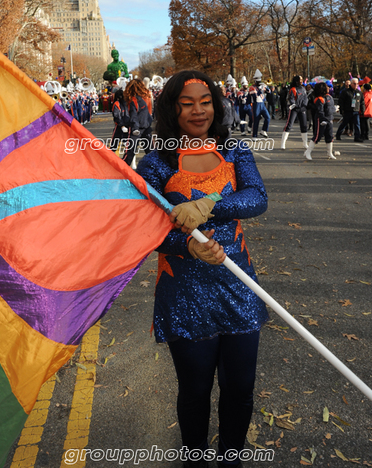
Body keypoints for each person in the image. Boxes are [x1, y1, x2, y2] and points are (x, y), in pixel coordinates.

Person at [137, 70, 268, 468]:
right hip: (185, 291)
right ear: (172, 108)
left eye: (206, 101)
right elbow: (146, 229)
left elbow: (256, 197)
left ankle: (232, 458)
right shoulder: (156, 163)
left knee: (240, 387)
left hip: (238, 283)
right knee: (194, 391)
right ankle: (194, 460)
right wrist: (187, 249)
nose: (199, 111)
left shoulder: (235, 150)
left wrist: (208, 205)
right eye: (188, 103)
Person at [123, 78, 153, 167]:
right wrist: (135, 128)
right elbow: (133, 115)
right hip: (137, 130)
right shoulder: (134, 100)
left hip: (145, 128)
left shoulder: (140, 99)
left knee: (151, 152)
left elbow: (146, 114)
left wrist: (148, 124)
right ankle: (120, 171)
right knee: (130, 154)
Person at [304, 82, 336, 160]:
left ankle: (329, 153)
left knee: (329, 136)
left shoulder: (330, 97)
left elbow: (331, 108)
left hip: (329, 119)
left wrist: (335, 109)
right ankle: (308, 152)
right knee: (317, 136)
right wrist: (322, 120)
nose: (328, 88)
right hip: (321, 120)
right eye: (326, 87)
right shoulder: (319, 99)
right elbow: (320, 111)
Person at [280, 75, 309, 149]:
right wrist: (295, 105)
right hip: (294, 109)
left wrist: (304, 105)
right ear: (296, 81)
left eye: (302, 79)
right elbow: (291, 99)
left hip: (302, 109)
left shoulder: (303, 89)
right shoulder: (292, 89)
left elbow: (305, 98)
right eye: (300, 79)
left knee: (304, 126)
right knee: (289, 125)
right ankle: (283, 143)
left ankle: (305, 143)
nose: (302, 81)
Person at [335, 78, 364, 142]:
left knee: (357, 124)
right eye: (354, 83)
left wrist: (362, 110)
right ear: (351, 84)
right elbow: (341, 101)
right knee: (344, 123)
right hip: (348, 110)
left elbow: (362, 102)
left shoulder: (359, 93)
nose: (356, 85)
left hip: (356, 111)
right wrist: (341, 110)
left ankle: (357, 137)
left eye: (357, 84)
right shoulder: (345, 92)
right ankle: (338, 134)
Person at [247, 70, 270, 139]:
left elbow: (269, 92)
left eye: (260, 81)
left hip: (262, 104)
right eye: (258, 82)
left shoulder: (263, 85)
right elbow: (255, 96)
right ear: (255, 81)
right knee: (256, 120)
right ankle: (254, 135)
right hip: (256, 104)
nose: (259, 83)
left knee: (268, 117)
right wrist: (259, 90)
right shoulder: (252, 87)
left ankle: (264, 130)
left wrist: (266, 88)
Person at [110, 89, 130, 153]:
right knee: (114, 145)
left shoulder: (128, 103)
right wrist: (122, 125)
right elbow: (117, 116)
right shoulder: (117, 103)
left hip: (126, 126)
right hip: (120, 126)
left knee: (128, 146)